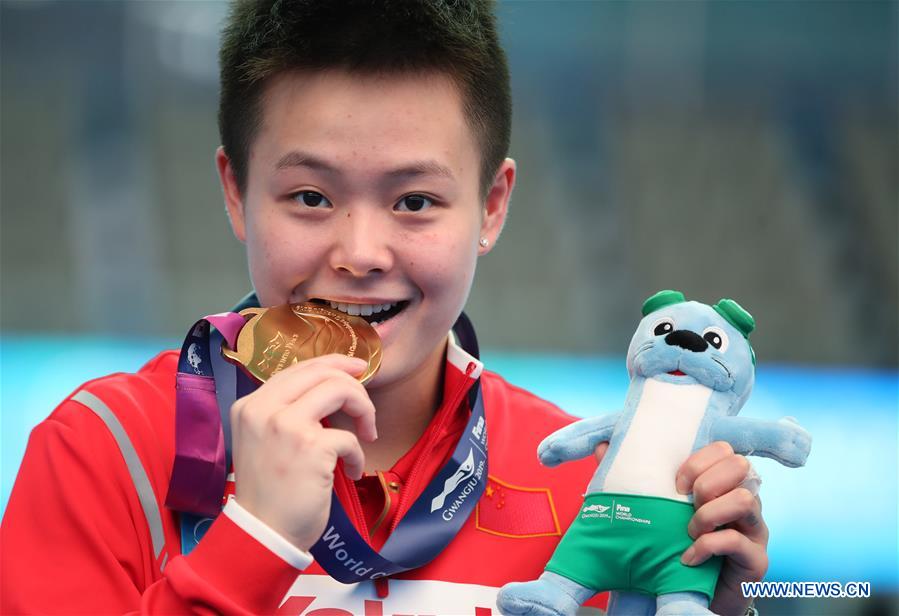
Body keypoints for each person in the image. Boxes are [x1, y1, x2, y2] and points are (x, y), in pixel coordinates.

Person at [0, 1, 769, 614]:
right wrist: (253, 543)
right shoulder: (104, 453)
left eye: (413, 201)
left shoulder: (585, 487)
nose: (361, 251)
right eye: (310, 196)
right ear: (235, 192)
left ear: (492, 207)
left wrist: (710, 601)